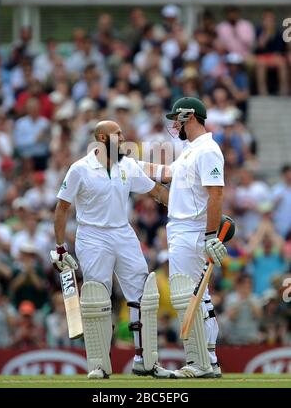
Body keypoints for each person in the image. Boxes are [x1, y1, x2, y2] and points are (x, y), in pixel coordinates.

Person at [50, 120, 174, 379]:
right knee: (97, 297)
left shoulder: (127, 165)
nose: (123, 136)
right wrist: (60, 248)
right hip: (92, 236)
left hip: (123, 233)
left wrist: (189, 210)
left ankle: (146, 361)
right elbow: (62, 207)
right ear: (102, 139)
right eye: (117, 133)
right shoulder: (80, 169)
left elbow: (157, 192)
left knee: (143, 295)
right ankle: (99, 364)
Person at [139, 97, 228, 378]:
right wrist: (128, 164)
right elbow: (165, 173)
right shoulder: (191, 150)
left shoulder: (208, 150)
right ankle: (207, 359)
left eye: (177, 118)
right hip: (182, 229)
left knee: (190, 296)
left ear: (190, 116)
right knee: (198, 296)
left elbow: (216, 194)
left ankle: (200, 361)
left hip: (192, 230)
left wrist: (211, 236)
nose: (174, 124)